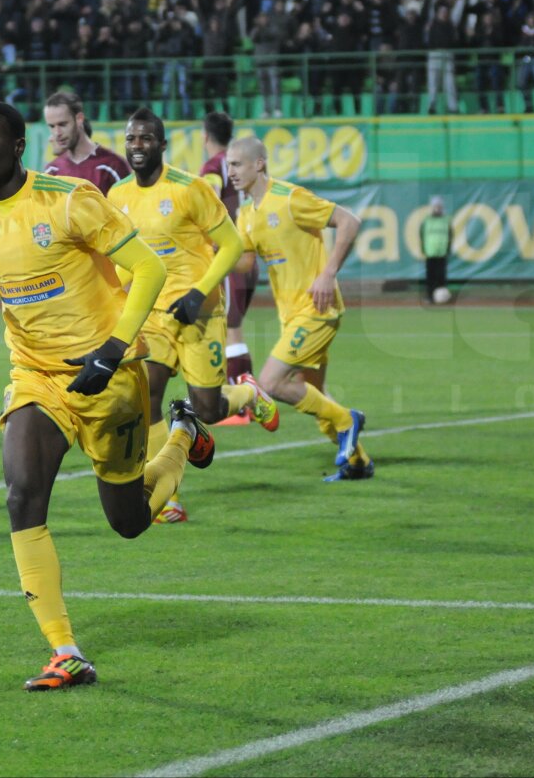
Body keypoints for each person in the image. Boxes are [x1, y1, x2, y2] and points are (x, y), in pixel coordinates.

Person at [0, 100, 212, 691]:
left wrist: (113, 349)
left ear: (19, 145)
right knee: (20, 495)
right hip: (37, 376)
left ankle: (183, 433)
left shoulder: (68, 198)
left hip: (109, 376)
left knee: (130, 521)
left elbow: (149, 270)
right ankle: (66, 650)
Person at [111, 107, 278, 524]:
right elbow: (122, 262)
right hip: (153, 314)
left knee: (209, 409)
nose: (137, 146)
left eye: (146, 138)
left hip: (200, 312)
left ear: (162, 145)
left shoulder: (190, 189)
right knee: (145, 393)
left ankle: (248, 394)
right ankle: (167, 495)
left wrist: (199, 292)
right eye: (131, 139)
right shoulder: (118, 198)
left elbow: (232, 246)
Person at [227, 136, 374, 481]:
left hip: (317, 309)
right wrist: (208, 248)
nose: (230, 172)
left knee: (271, 383)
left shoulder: (290, 198)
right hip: (291, 316)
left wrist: (328, 273)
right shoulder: (246, 213)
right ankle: (358, 463)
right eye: (228, 165)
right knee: (315, 394)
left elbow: (349, 221)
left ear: (259, 164)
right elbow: (245, 263)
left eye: (237, 164)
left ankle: (346, 420)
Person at [199, 111, 258, 421]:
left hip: (227, 257)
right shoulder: (237, 163)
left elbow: (207, 198)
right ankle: (242, 398)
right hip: (248, 253)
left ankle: (244, 405)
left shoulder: (213, 167)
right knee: (230, 330)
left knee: (231, 331)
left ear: (205, 136)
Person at [41, 91, 130, 195]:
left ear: (79, 119)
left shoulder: (113, 166)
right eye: (52, 126)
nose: (57, 133)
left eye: (62, 124)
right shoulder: (51, 171)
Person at [422, 195, 452, 302]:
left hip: (442, 251)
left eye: (439, 206)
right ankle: (430, 297)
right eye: (436, 206)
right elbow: (422, 235)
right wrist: (423, 249)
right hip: (430, 251)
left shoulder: (446, 220)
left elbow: (450, 235)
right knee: (431, 276)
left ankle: (442, 297)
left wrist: (448, 249)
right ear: (432, 207)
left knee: (441, 276)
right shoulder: (427, 220)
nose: (438, 208)